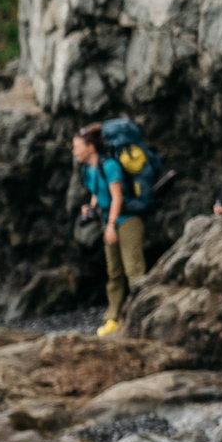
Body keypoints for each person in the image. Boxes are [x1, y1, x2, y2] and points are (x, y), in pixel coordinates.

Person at [75, 125, 145, 337]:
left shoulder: (111, 165)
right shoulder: (89, 169)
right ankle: (113, 317)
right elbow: (98, 192)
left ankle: (141, 316)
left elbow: (117, 197)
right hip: (109, 222)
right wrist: (92, 207)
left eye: (76, 146)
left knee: (134, 271)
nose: (74, 151)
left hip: (127, 221)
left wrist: (112, 226)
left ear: (90, 147)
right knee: (114, 274)